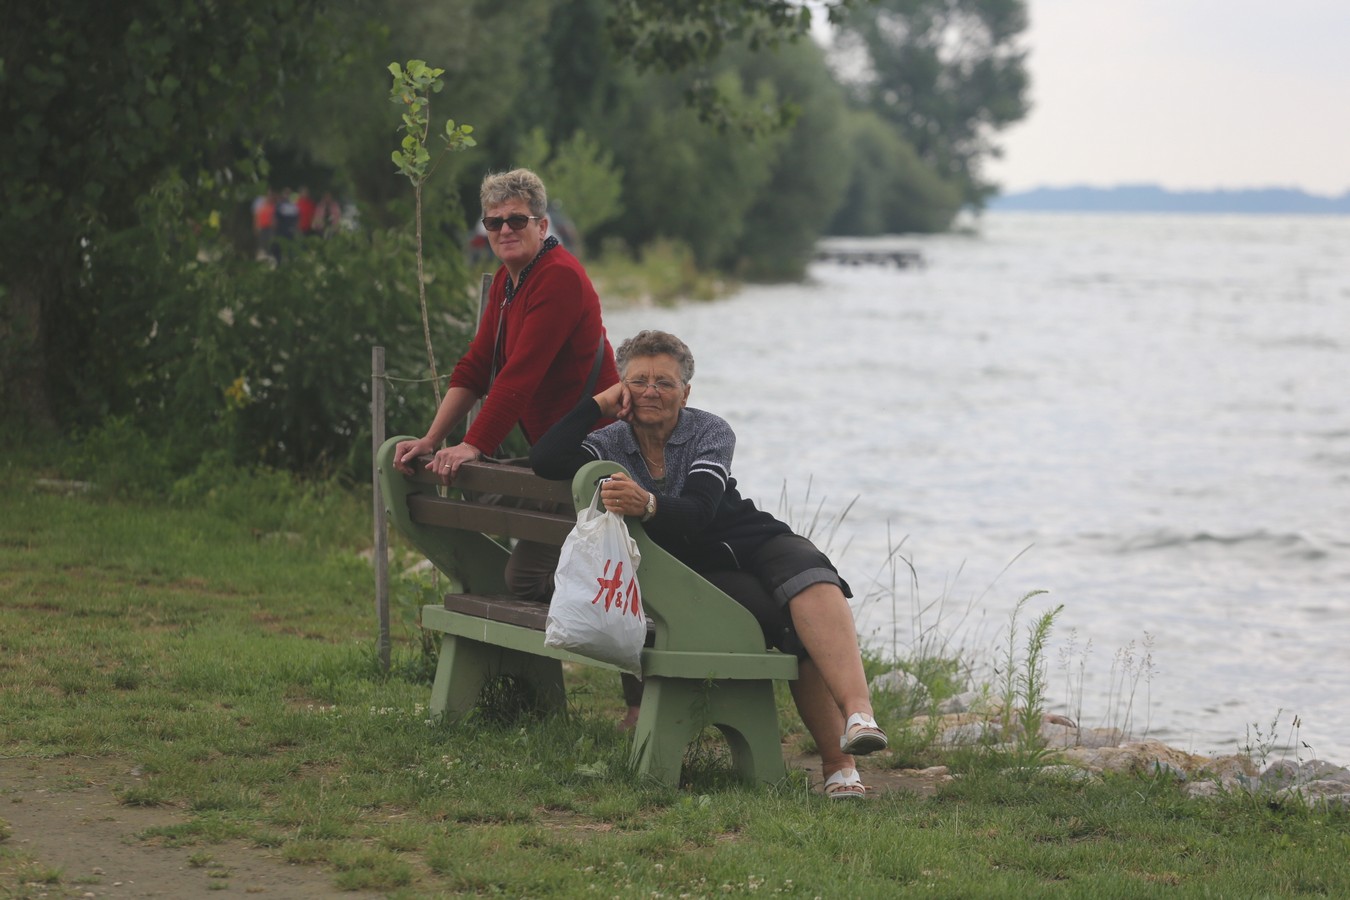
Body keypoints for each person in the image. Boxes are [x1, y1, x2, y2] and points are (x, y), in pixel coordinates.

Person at [529, 330, 888, 798]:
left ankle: (860, 716)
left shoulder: (709, 430)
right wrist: (598, 403)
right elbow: (545, 459)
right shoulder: (611, 441)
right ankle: (838, 766)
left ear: (686, 392)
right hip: (702, 570)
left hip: (749, 538)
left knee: (811, 572)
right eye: (638, 381)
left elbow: (700, 511)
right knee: (793, 629)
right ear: (623, 389)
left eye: (665, 382)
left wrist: (648, 504)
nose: (651, 392)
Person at [393, 168, 619, 601]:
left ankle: (612, 606)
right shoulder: (507, 281)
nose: (504, 230)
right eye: (493, 222)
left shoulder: (559, 277)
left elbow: (521, 374)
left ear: (542, 225)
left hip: (591, 455)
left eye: (517, 220)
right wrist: (432, 437)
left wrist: (473, 444)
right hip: (554, 459)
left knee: (524, 573)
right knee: (483, 501)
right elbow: (477, 367)